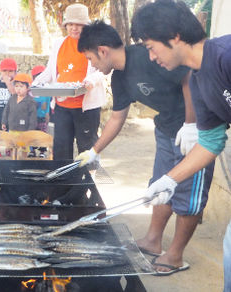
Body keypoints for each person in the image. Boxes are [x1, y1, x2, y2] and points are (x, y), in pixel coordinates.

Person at [75, 20, 216, 276]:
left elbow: (188, 77)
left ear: (103, 50)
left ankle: (175, 256)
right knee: (160, 185)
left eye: (90, 58)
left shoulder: (146, 55)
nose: (92, 65)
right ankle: (153, 239)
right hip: (165, 130)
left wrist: (191, 124)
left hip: (196, 132)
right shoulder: (119, 78)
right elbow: (117, 118)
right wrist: (94, 151)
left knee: (188, 194)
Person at [130, 0, 231, 283]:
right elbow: (211, 142)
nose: (151, 57)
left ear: (174, 36)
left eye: (151, 47)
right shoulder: (198, 82)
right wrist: (169, 180)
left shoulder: (226, 55)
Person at [32, 3, 106, 161]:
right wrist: (35, 84)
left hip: (86, 108)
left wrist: (91, 81)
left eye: (79, 25)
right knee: (61, 147)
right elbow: (50, 70)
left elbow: (103, 69)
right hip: (62, 106)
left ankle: (85, 182)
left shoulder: (95, 44)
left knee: (87, 147)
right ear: (66, 25)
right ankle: (63, 182)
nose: (74, 28)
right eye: (71, 24)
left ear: (86, 26)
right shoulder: (59, 43)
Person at [1, 73, 37, 158]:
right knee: (13, 147)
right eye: (16, 86)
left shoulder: (30, 101)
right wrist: (4, 122)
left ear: (27, 88)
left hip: (24, 131)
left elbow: (33, 117)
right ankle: (14, 161)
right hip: (12, 129)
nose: (18, 89)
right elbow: (6, 111)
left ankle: (23, 162)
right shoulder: (12, 98)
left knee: (24, 148)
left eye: (21, 86)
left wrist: (30, 131)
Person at [0, 58, 17, 157]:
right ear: (0, 71)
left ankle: (8, 148)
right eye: (4, 71)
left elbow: (14, 93)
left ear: (15, 72)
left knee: (9, 134)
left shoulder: (15, 84)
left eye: (10, 71)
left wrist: (8, 83)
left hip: (10, 115)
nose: (7, 73)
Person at [30, 65, 51, 158]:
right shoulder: (31, 90)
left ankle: (42, 151)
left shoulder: (46, 90)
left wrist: (47, 113)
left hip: (42, 117)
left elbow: (48, 103)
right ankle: (32, 150)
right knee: (32, 134)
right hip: (32, 118)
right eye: (37, 76)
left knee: (43, 134)